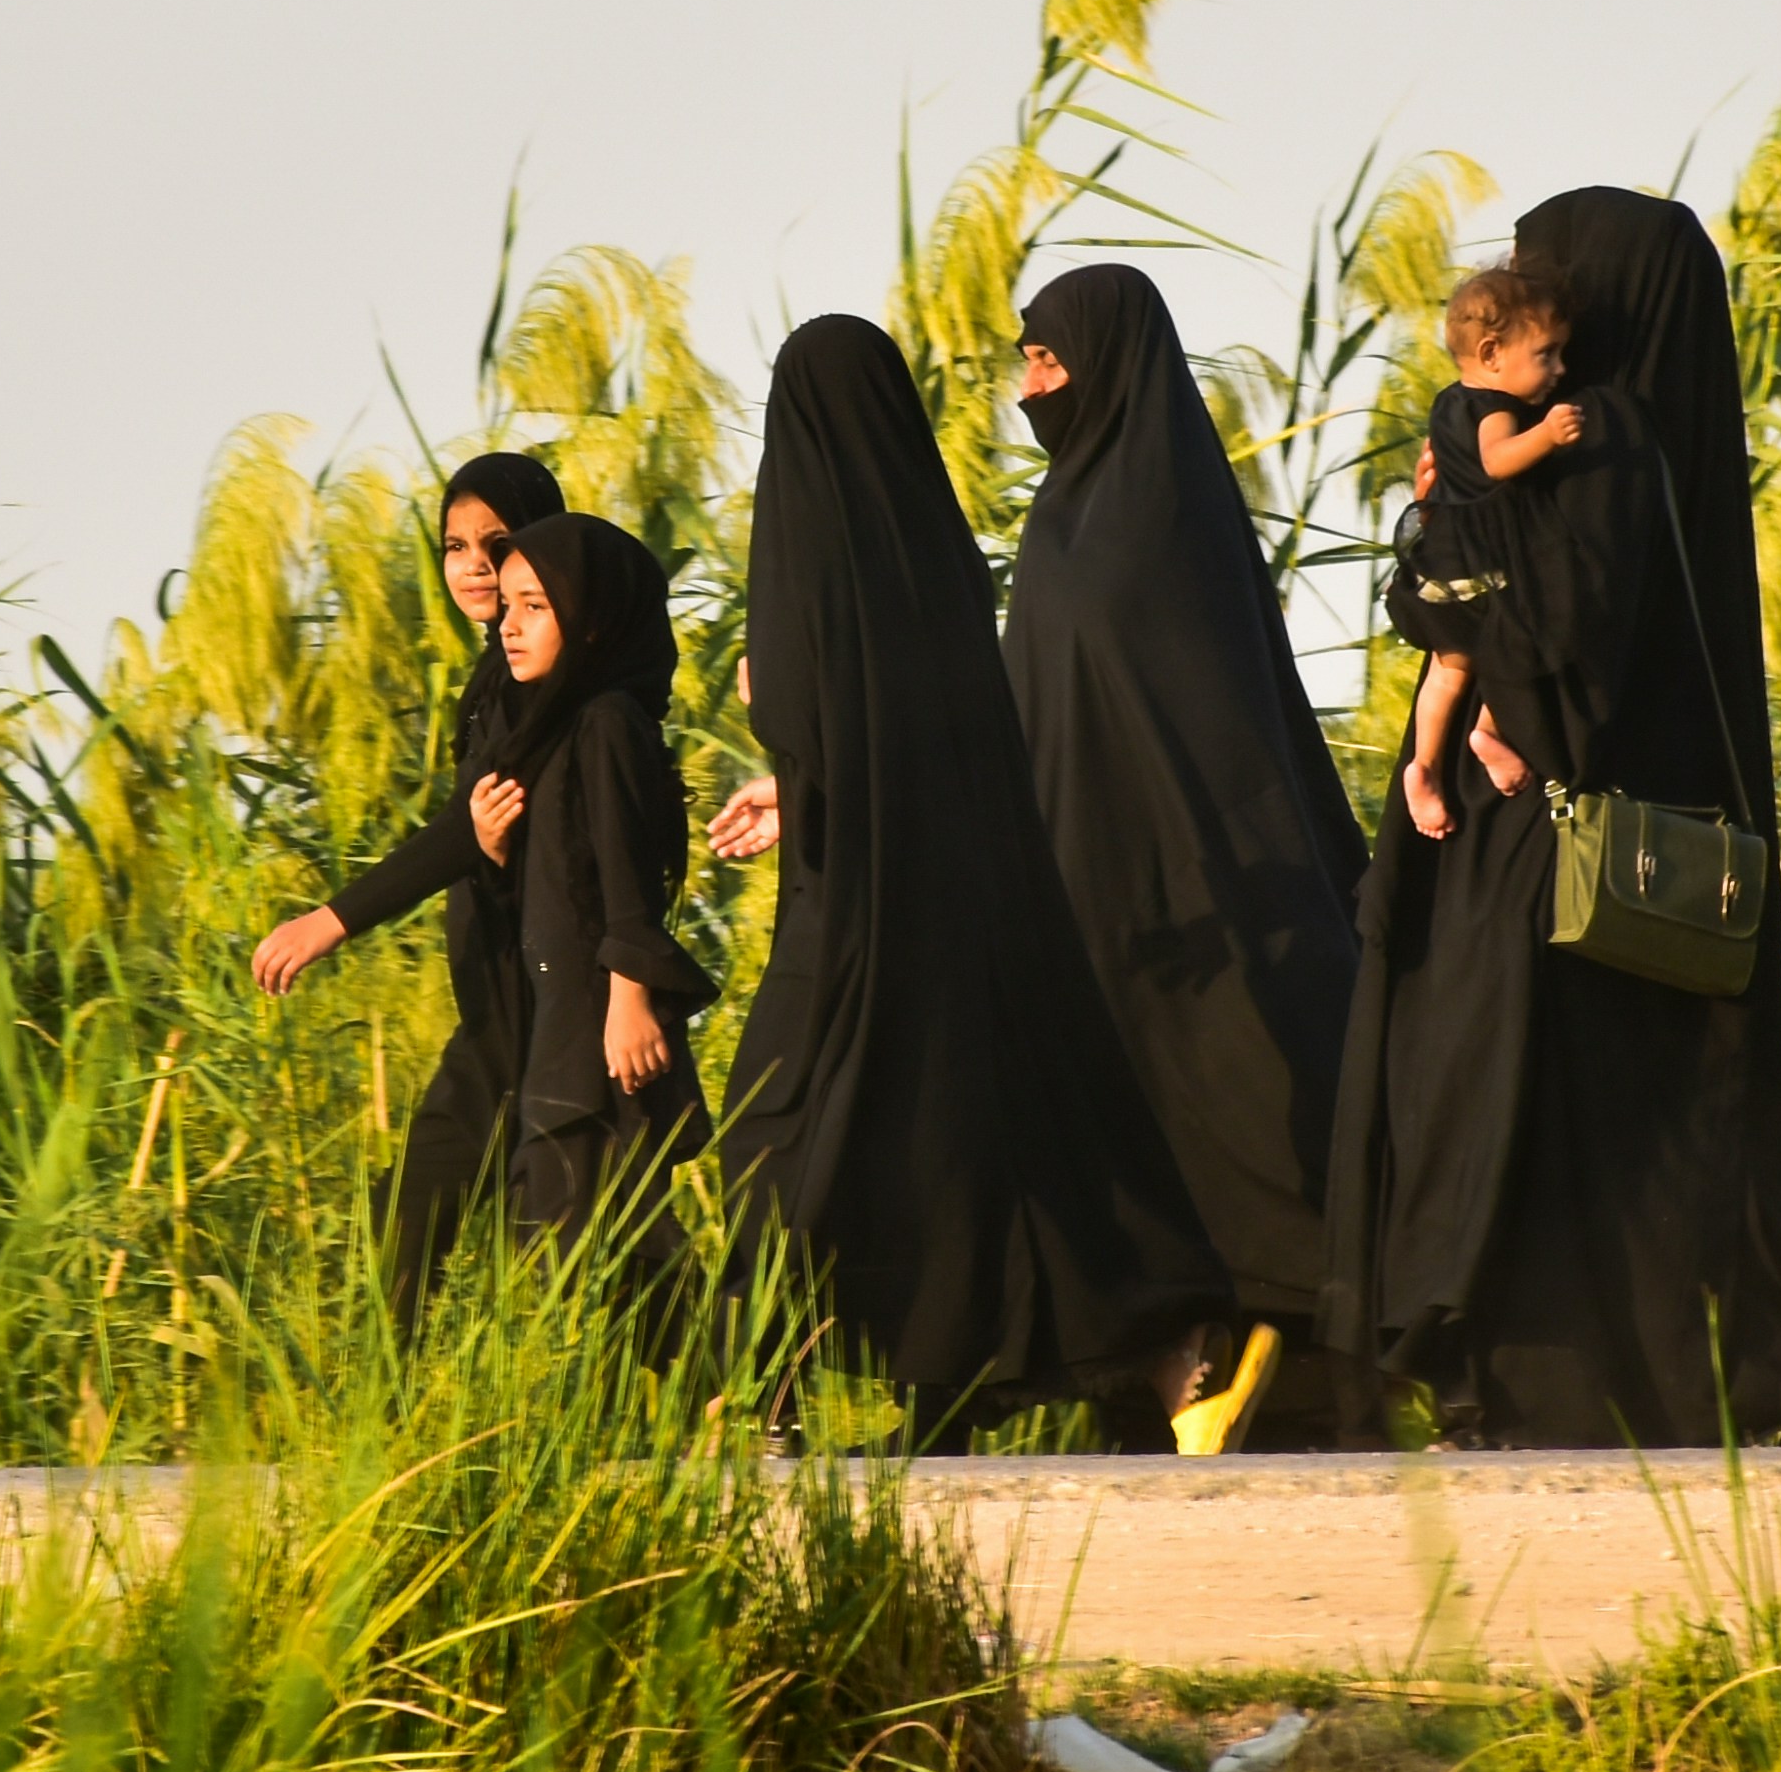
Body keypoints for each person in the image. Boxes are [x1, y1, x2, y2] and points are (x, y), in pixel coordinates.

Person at [1327, 188, 1781, 1449]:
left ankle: (1553, 1391)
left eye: (1552, 273)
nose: (1537, 300)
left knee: (1532, 1113)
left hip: (1549, 833)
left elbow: (1535, 624)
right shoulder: (1647, 438)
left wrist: (1443, 546)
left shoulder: (1607, 435)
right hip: (1621, 850)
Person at [703, 313, 1250, 1448]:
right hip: (946, 902)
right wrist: (794, 788)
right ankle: (1110, 1369)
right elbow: (912, 736)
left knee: (780, 1138)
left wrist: (773, 730)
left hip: (849, 917)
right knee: (950, 1150)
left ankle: (774, 1394)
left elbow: (819, 717)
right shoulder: (932, 548)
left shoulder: (808, 549)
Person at [987, 262, 1370, 1439]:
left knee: (1248, 1093)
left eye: (1052, 363)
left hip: (1203, 884)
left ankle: (1292, 1338)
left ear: (1109, 365)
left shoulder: (1168, 514)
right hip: (1085, 880)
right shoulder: (1063, 517)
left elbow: (1220, 722)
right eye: (1027, 363)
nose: (1030, 389)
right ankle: (1163, 1360)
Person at [249, 451, 563, 1323]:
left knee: (574, 1242)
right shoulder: (502, 681)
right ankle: (394, 1430)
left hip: (538, 1015)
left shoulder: (551, 691)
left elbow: (464, 833)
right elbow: (475, 831)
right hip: (499, 1014)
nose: (472, 566)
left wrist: (329, 922)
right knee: (442, 1219)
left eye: (495, 544)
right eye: (454, 545)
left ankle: (756, 1393)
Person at [476, 510, 716, 1260]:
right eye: (508, 607)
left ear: (590, 622)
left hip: (597, 1026)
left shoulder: (607, 723)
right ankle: (740, 1377)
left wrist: (631, 996)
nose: (509, 626)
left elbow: (626, 880)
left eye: (535, 607)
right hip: (566, 1025)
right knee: (613, 1252)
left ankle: (751, 1371)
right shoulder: (559, 729)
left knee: (577, 1244)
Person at [1384, 259, 1625, 839]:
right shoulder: (1497, 408)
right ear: (1492, 354)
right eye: (1546, 355)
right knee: (1521, 639)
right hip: (1493, 554)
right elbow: (1496, 461)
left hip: (1444, 556)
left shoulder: (1446, 402)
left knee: (1449, 667)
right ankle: (1490, 729)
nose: (1559, 370)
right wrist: (1547, 433)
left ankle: (1424, 765)